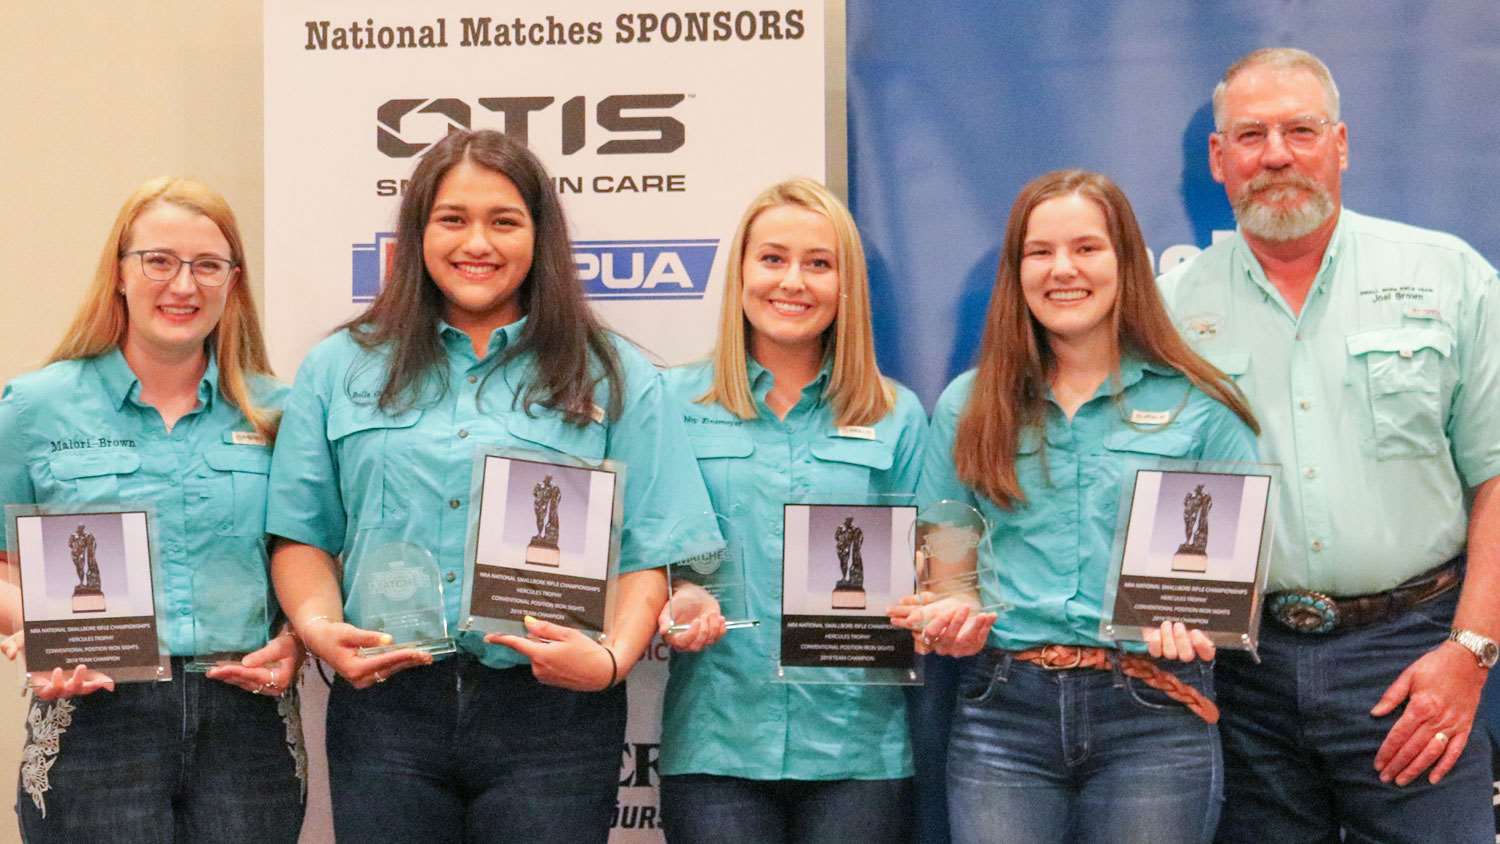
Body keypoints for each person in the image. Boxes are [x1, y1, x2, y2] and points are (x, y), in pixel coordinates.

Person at [266, 128, 716, 843]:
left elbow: (649, 549)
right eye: (453, 219)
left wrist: (609, 660)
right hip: (386, 707)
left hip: (553, 717)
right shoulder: (338, 367)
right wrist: (321, 630)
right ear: (418, 233)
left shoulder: (615, 372)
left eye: (504, 220)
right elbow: (300, 533)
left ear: (540, 237)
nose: (478, 242)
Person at [1158, 47, 1500, 843]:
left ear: (1340, 145)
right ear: (1219, 158)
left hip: (1414, 655)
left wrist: (1472, 651)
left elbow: (1496, 477)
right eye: (1250, 136)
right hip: (1244, 676)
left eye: (1300, 130)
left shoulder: (1447, 276)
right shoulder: (1172, 308)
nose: (1275, 154)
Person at [899, 170, 1260, 844]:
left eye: (1087, 248)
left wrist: (1201, 620)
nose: (1063, 269)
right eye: (1040, 252)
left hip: (1156, 709)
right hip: (1002, 714)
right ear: (1017, 271)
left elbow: (1228, 583)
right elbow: (947, 574)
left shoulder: (1201, 406)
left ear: (1126, 262)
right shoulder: (968, 405)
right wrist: (951, 615)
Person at [0, 177, 305, 841]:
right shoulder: (32, 407)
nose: (183, 286)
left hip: (247, 722)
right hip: (96, 716)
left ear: (233, 281)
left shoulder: (283, 412)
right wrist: (34, 626)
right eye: (159, 261)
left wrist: (297, 638)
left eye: (207, 266)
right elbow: (3, 563)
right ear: (119, 271)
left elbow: (306, 559)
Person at [656, 178, 928, 844]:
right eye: (773, 258)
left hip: (857, 749)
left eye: (818, 263)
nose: (793, 282)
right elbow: (643, 550)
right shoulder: (671, 402)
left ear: (846, 285)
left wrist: (927, 605)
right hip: (718, 744)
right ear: (742, 273)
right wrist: (676, 594)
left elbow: (938, 562)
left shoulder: (896, 415)